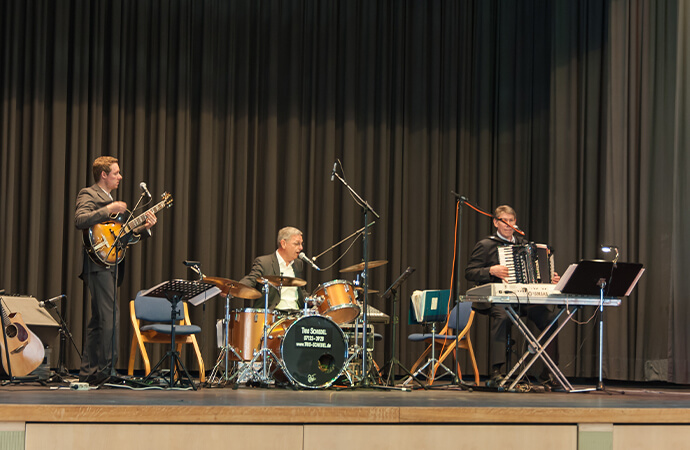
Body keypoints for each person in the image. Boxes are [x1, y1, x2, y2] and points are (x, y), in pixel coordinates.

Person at [75, 156, 157, 384]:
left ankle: (89, 372)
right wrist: (108, 209)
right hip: (97, 263)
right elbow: (80, 220)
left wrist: (144, 228)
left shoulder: (114, 200)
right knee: (111, 317)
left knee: (98, 320)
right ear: (104, 175)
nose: (120, 177)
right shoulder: (89, 194)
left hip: (110, 264)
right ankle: (107, 372)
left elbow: (122, 237)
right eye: (116, 173)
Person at [465, 205, 559, 387]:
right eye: (504, 221)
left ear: (516, 222)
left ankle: (549, 372)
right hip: (498, 300)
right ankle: (496, 372)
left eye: (511, 220)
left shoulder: (524, 245)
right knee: (501, 316)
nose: (508, 225)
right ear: (495, 223)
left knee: (551, 318)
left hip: (524, 300)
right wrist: (490, 270)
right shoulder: (486, 245)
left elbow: (539, 274)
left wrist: (551, 278)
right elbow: (470, 272)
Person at [239, 227, 309, 311]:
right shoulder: (264, 262)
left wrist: (311, 299)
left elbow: (300, 291)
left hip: (295, 315)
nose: (301, 248)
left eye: (301, 244)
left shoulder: (298, 264)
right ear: (283, 244)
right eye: (296, 244)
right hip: (273, 316)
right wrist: (232, 288)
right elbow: (251, 280)